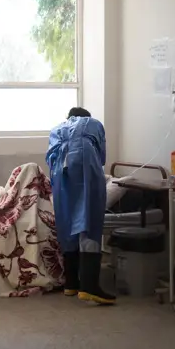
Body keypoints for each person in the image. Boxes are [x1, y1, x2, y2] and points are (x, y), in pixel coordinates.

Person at [46, 107, 115, 305]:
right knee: (88, 218)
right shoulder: (93, 124)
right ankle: (89, 286)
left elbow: (50, 158)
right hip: (84, 162)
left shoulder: (57, 129)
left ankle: (71, 284)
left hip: (60, 172)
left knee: (67, 220)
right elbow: (101, 157)